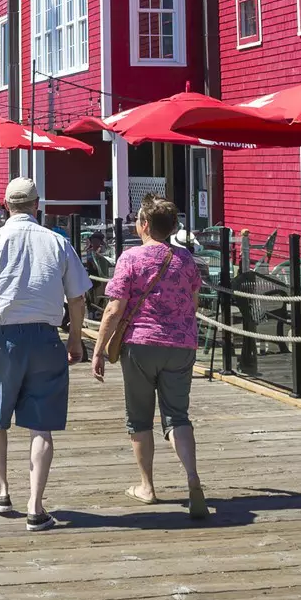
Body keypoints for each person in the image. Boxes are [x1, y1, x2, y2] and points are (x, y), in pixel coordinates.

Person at [0, 177, 90, 532]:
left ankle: (1, 490)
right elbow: (77, 298)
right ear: (37, 205)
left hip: (2, 338)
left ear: (5, 206)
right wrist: (75, 340)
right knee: (41, 424)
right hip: (46, 338)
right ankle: (36, 505)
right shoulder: (58, 242)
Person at [90, 195, 209, 519]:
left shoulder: (131, 258)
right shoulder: (186, 260)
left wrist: (99, 351)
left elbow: (114, 310)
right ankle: (192, 477)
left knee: (139, 418)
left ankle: (147, 487)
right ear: (172, 227)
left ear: (144, 224)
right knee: (178, 417)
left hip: (141, 345)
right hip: (181, 345)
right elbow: (194, 302)